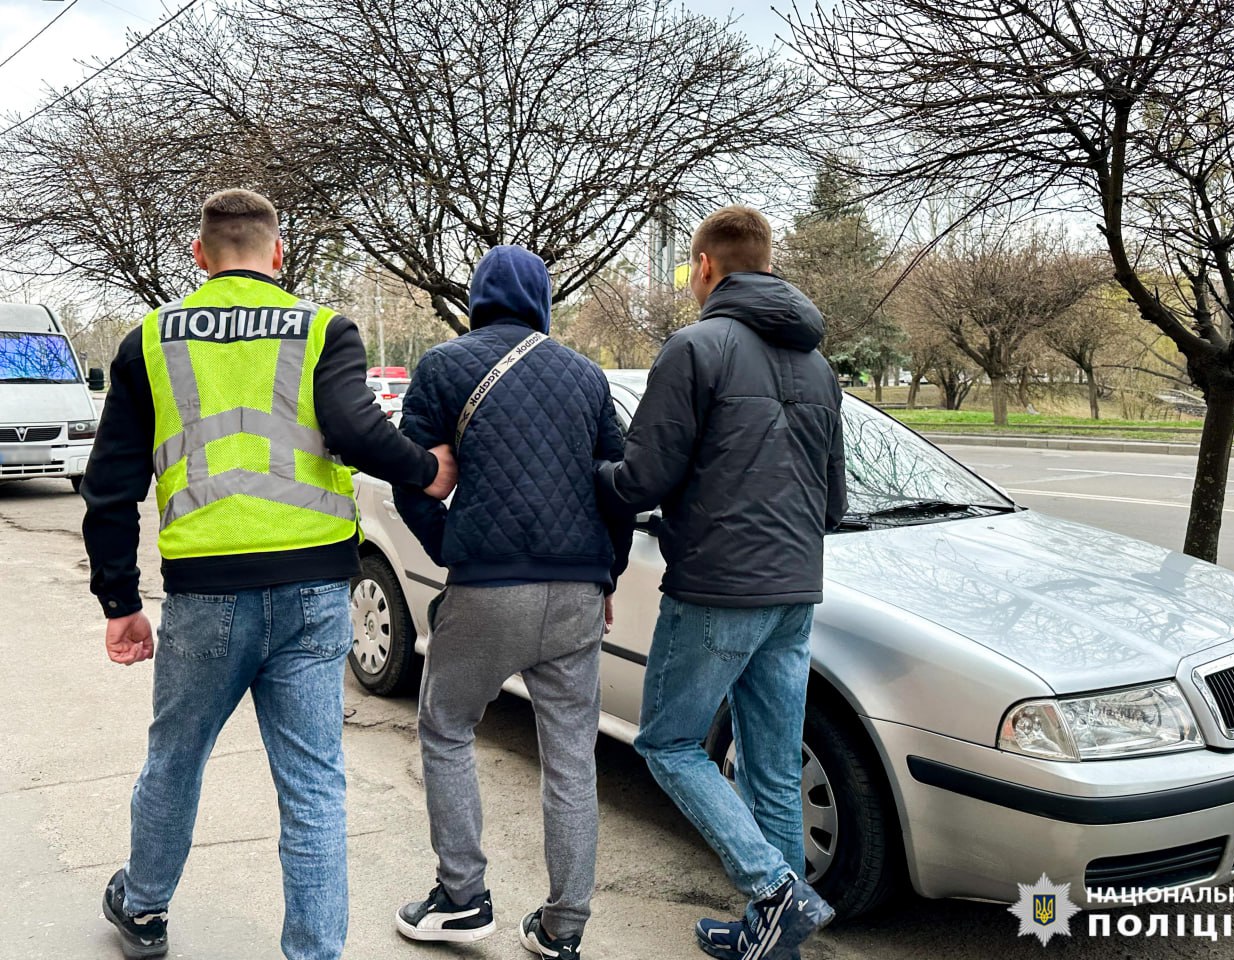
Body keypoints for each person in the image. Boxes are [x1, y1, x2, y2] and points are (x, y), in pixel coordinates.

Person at [81, 189, 456, 960]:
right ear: (277, 253)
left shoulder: (150, 340)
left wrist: (119, 600)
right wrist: (425, 469)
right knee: (313, 786)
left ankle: (143, 909)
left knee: (174, 762)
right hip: (315, 593)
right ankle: (314, 952)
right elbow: (356, 429)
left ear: (200, 255)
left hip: (205, 594)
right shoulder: (323, 329)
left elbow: (110, 486)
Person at [596, 206, 847, 960]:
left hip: (716, 586)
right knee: (772, 766)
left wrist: (591, 473)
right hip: (796, 590)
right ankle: (775, 941)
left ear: (705, 266)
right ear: (766, 262)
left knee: (668, 743)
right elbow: (833, 504)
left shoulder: (694, 348)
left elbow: (642, 477)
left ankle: (775, 890)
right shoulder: (819, 365)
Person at [390, 244, 630, 960]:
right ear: (542, 303)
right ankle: (564, 926)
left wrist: (450, 544)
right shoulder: (587, 375)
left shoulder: (442, 366)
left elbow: (411, 476)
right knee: (572, 758)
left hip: (488, 587)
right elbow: (616, 484)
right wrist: (608, 574)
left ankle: (462, 898)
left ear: (477, 300)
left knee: (447, 727)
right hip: (577, 590)